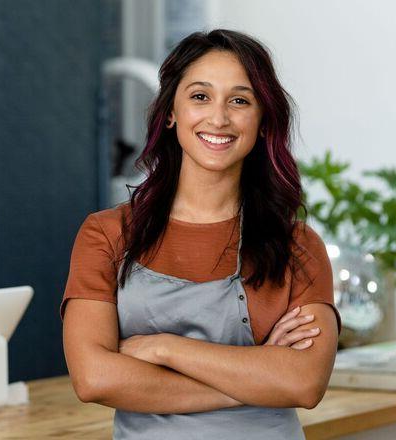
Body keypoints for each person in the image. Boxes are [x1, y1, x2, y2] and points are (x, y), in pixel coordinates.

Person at [60, 29, 341, 439]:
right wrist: (259, 375)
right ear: (171, 112)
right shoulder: (106, 235)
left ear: (263, 121)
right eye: (200, 96)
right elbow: (95, 379)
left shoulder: (297, 245)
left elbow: (304, 384)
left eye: (240, 101)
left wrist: (163, 349)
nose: (219, 118)